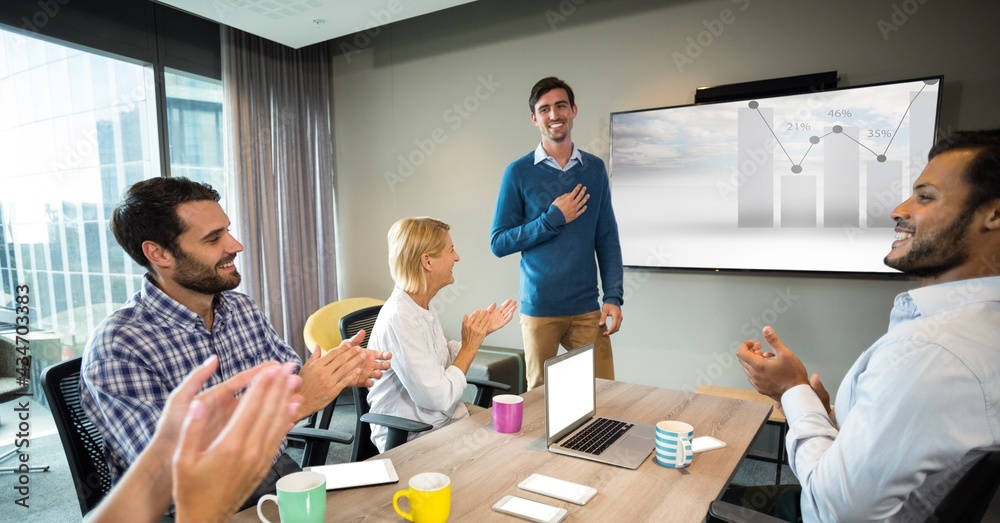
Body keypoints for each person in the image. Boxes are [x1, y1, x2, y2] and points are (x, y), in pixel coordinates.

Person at [734, 129, 1000, 522]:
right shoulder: (975, 330)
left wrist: (792, 390)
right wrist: (822, 415)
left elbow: (832, 510)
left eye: (925, 197)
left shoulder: (931, 353)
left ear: (994, 214)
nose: (899, 209)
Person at [80, 177, 391, 511]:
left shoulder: (241, 308)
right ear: (159, 253)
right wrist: (298, 403)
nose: (236, 245)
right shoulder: (120, 346)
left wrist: (333, 372)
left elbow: (290, 381)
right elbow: (171, 477)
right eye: (215, 238)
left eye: (227, 230)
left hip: (275, 472)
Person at [490, 76, 624, 390]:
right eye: (545, 109)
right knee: (540, 398)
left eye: (561, 106)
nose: (554, 114)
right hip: (540, 308)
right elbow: (499, 242)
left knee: (603, 392)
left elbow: (607, 237)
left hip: (586, 307)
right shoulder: (518, 172)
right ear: (534, 118)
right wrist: (552, 219)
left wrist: (614, 296)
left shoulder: (593, 169)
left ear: (574, 110)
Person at [89, 356, 302, 522]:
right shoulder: (115, 348)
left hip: (277, 471)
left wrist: (167, 443)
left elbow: (295, 376)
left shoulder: (240, 306)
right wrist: (201, 513)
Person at [367, 217, 517, 452]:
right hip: (415, 437)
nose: (457, 257)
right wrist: (469, 347)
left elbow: (438, 360)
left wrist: (477, 335)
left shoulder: (422, 304)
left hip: (445, 421)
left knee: (516, 436)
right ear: (427, 261)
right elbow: (438, 397)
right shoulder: (400, 317)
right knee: (506, 451)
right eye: (451, 250)